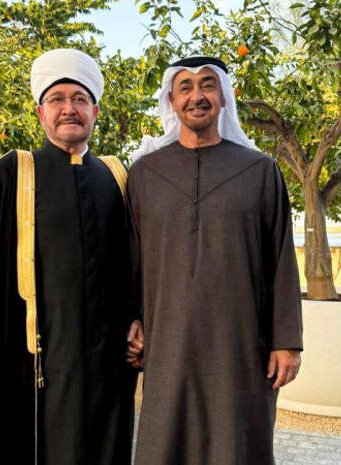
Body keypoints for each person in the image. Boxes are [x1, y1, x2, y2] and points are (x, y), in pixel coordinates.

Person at [0, 48, 139, 465]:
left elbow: (135, 263)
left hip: (108, 361)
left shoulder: (116, 175)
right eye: (57, 100)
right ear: (41, 113)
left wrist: (138, 319)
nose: (69, 109)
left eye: (80, 99)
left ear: (95, 111)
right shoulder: (15, 171)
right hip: (37, 361)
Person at [126, 56, 303, 465]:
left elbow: (281, 259)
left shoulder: (260, 171)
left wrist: (287, 341)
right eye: (185, 88)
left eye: (208, 85)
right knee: (165, 441)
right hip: (167, 342)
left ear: (223, 97)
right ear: (172, 101)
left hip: (240, 345)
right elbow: (130, 258)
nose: (197, 96)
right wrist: (133, 319)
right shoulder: (145, 174)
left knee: (235, 442)